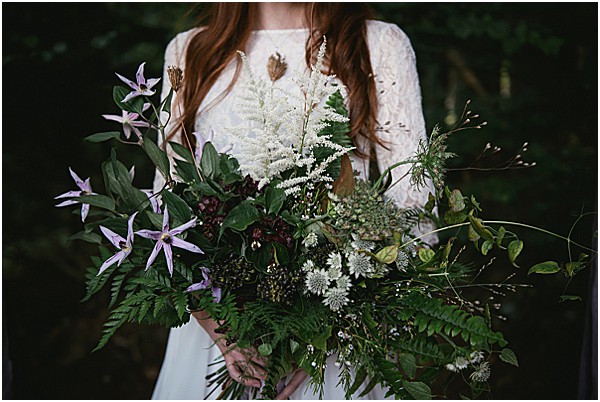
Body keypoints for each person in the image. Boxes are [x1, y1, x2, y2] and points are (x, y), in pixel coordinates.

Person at [151, 3, 434, 399]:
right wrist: (220, 331)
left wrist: (320, 336)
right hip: (218, 335)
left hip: (334, 344)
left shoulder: (378, 44)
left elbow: (412, 206)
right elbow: (167, 208)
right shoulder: (189, 51)